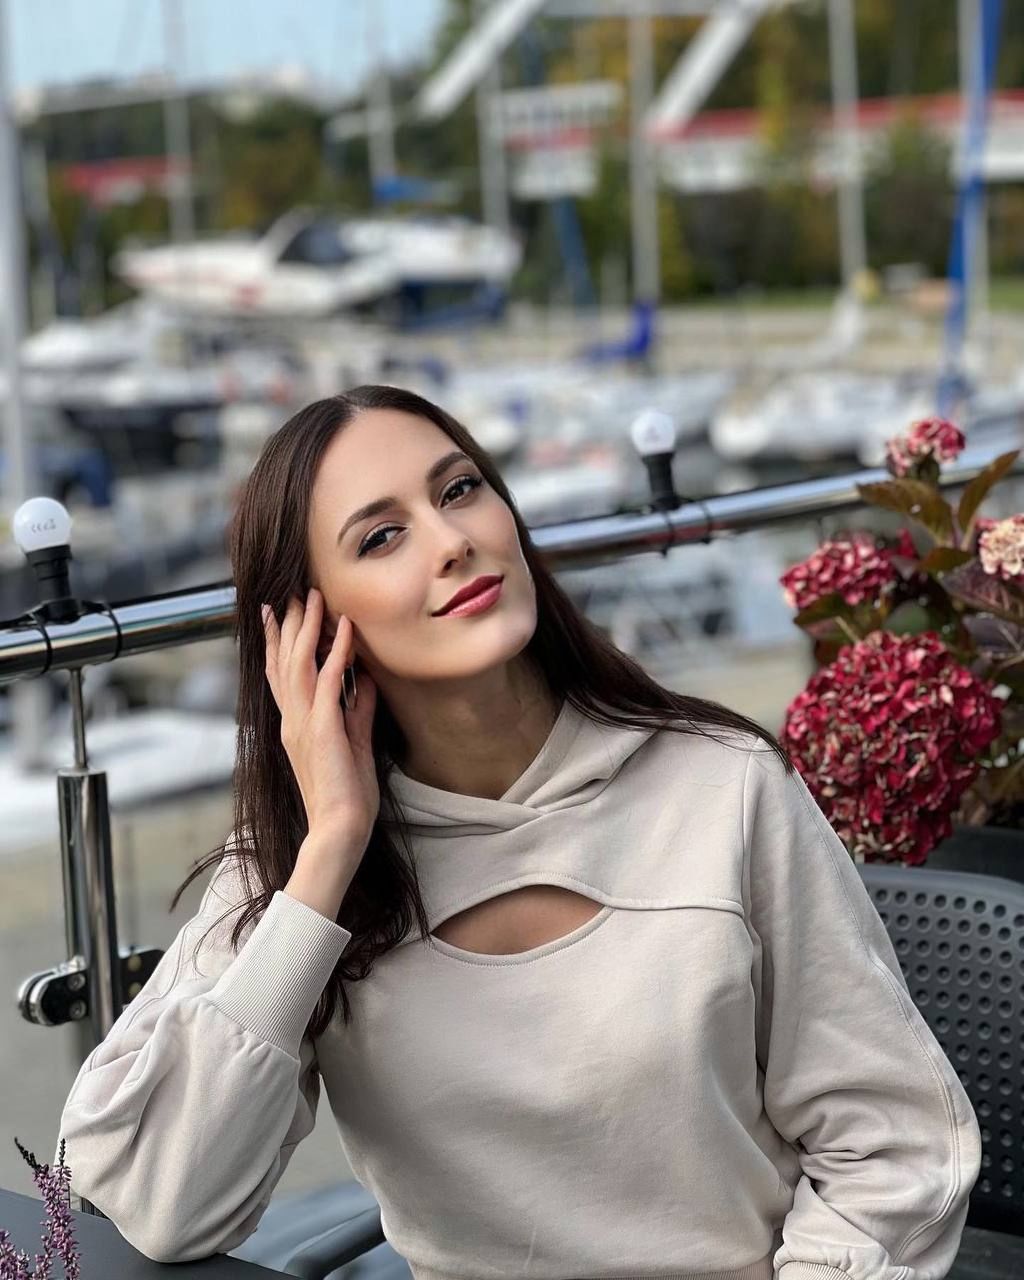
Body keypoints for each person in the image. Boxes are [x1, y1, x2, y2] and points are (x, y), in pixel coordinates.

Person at [56, 385, 982, 1279]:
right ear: (308, 629)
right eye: (381, 537)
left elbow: (895, 1145)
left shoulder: (724, 786)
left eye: (460, 489)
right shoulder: (301, 867)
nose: (453, 541)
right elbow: (152, 1202)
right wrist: (331, 849)